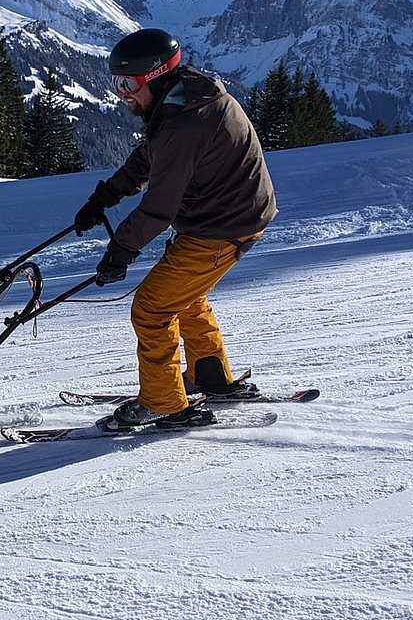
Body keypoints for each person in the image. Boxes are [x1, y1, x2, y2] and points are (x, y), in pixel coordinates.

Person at [73, 28, 277, 428]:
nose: (122, 95)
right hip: (225, 218)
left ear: (154, 76)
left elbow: (160, 206)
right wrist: (104, 197)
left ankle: (164, 403)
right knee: (183, 295)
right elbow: (149, 156)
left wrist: (121, 251)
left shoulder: (185, 122)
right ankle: (209, 375)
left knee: (151, 307)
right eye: (116, 84)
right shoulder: (180, 99)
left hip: (222, 226)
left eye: (127, 84)